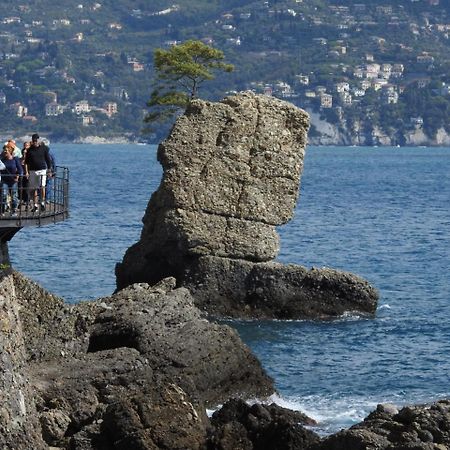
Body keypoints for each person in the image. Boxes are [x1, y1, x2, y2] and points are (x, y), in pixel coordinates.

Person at [23, 133, 52, 212]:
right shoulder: (29, 150)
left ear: (38, 140)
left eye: (36, 140)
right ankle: (35, 205)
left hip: (42, 170)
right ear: (32, 141)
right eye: (34, 140)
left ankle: (42, 203)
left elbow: (48, 160)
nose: (35, 142)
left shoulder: (44, 148)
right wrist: (27, 172)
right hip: (33, 171)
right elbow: (26, 162)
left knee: (42, 186)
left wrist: (49, 170)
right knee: (34, 188)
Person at [0, 145, 23, 215]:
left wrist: (18, 176)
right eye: (4, 150)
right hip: (4, 180)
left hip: (13, 181)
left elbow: (20, 169)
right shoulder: (2, 159)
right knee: (3, 195)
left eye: (6, 150)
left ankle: (13, 211)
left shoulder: (15, 159)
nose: (5, 151)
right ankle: (2, 211)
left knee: (14, 196)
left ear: (10, 151)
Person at [19, 141, 31, 207]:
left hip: (29, 173)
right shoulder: (23, 152)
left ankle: (27, 201)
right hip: (22, 173)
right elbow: (21, 160)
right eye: (25, 145)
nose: (25, 146)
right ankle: (22, 200)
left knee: (27, 188)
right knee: (21, 188)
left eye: (27, 145)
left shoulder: (31, 154)